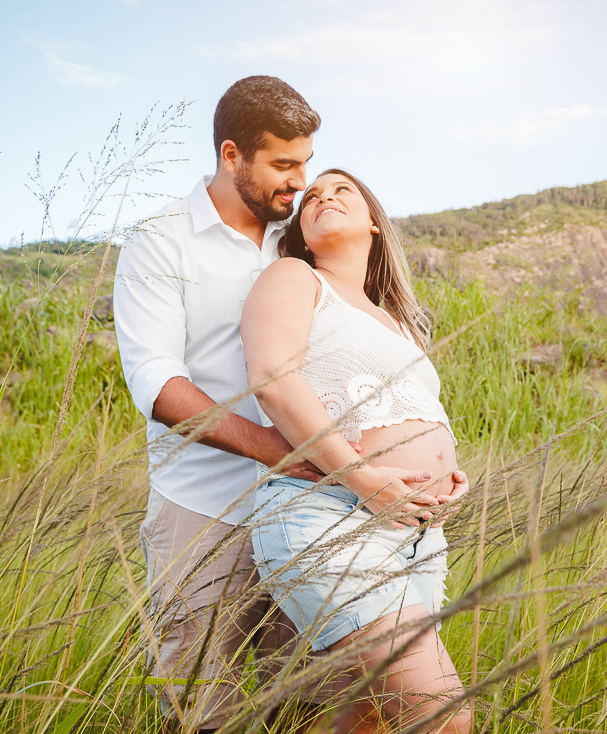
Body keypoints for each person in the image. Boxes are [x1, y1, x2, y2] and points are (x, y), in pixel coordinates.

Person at [114, 78, 467, 732]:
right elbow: (158, 385)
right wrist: (292, 451)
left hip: (328, 505)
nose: (301, 182)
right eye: (284, 165)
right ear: (231, 156)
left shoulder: (298, 242)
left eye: (306, 163)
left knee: (313, 706)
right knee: (204, 707)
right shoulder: (163, 241)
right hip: (207, 505)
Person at [242, 169, 473, 734]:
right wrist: (363, 478)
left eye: (341, 190)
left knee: (369, 717)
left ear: (373, 222)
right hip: (330, 514)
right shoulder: (294, 276)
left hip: (415, 534)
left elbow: (412, 409)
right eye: (312, 198)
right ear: (300, 232)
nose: (324, 197)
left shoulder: (398, 320)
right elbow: (272, 378)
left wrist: (447, 474)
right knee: (443, 716)